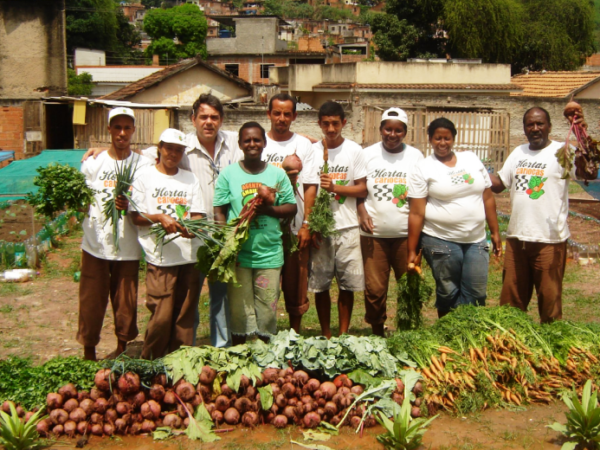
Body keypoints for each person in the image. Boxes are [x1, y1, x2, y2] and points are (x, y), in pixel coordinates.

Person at [81, 94, 241, 348]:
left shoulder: (233, 141)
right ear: (193, 119)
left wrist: (309, 143)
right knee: (175, 304)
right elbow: (133, 153)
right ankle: (164, 352)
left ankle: (213, 347)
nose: (209, 122)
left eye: (214, 117)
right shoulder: (179, 144)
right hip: (176, 248)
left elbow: (268, 141)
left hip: (219, 233)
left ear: (221, 120)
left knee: (214, 296)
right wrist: (106, 150)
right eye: (203, 117)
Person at [490, 107, 597, 323]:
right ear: (524, 129)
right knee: (511, 304)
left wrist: (580, 133)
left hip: (549, 241)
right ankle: (512, 347)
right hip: (517, 239)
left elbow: (588, 172)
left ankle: (550, 349)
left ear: (549, 126)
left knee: (549, 304)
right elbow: (499, 184)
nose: (535, 128)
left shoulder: (563, 151)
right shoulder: (518, 153)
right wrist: (473, 170)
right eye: (530, 124)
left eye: (540, 124)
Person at [77, 107, 152, 361]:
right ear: (109, 130)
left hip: (128, 245)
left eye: (127, 127)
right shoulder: (94, 162)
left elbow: (148, 197)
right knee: (91, 300)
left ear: (133, 130)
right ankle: (89, 350)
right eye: (116, 127)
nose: (122, 133)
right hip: (95, 243)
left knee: (126, 302)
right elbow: (81, 200)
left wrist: (131, 205)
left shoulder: (143, 164)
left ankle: (122, 349)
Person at [407, 117, 501, 318]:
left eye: (447, 138)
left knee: (476, 293)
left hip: (476, 239)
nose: (443, 143)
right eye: (438, 138)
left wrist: (495, 231)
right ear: (430, 139)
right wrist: (412, 250)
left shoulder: (471, 159)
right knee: (449, 292)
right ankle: (448, 337)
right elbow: (416, 212)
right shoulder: (423, 168)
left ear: (454, 139)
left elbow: (487, 197)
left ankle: (470, 338)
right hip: (440, 238)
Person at [213, 122, 297, 344]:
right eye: (247, 140)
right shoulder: (228, 174)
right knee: (240, 310)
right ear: (240, 144)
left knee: (267, 308)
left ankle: (266, 354)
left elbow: (291, 207)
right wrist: (225, 243)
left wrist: (268, 210)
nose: (252, 144)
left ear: (264, 143)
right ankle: (243, 354)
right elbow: (219, 210)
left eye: (257, 140)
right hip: (239, 255)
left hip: (269, 254)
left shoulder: (277, 175)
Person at [129, 128, 205, 359]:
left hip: (188, 257)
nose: (173, 153)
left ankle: (179, 364)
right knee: (161, 316)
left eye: (178, 150)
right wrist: (159, 218)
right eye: (169, 148)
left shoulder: (190, 179)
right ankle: (151, 361)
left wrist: (192, 230)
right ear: (160, 148)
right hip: (160, 258)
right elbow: (136, 216)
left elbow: (198, 216)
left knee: (184, 316)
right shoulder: (145, 178)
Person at [357, 108, 424, 336]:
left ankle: (408, 333)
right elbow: (358, 188)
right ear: (380, 130)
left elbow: (420, 196)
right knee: (375, 290)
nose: (392, 134)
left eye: (398, 130)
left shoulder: (415, 156)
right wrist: (361, 212)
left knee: (408, 287)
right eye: (388, 129)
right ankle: (377, 331)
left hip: (406, 235)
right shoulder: (366, 155)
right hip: (373, 235)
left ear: (405, 132)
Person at [309, 101, 367, 338]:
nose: (331, 129)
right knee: (320, 285)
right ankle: (325, 333)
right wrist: (311, 224)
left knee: (347, 285)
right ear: (319, 124)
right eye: (326, 124)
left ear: (344, 123)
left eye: (335, 123)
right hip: (321, 228)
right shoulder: (312, 151)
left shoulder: (354, 150)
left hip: (348, 226)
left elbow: (362, 189)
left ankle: (343, 333)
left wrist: (336, 188)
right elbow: (309, 190)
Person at [262, 93, 319, 333]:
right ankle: (266, 331)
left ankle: (294, 333)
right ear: (269, 114)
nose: (282, 118)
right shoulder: (258, 142)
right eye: (277, 113)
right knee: (266, 282)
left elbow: (310, 186)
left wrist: (306, 223)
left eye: (287, 114)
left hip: (295, 225)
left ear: (294, 116)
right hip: (265, 225)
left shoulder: (303, 145)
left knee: (296, 282)